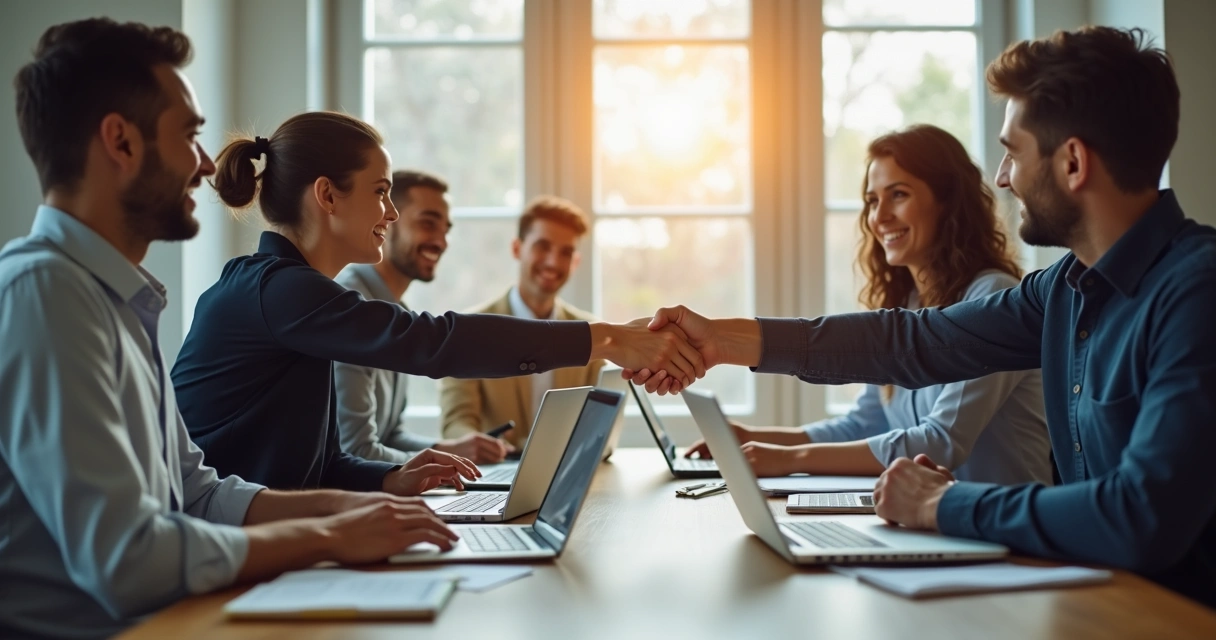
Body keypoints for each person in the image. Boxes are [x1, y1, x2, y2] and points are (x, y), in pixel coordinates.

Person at [633, 27, 1216, 607]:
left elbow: (1141, 514)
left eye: (1013, 151)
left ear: (1072, 163)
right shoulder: (1061, 292)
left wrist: (940, 503)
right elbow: (916, 342)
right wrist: (724, 341)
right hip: (1090, 598)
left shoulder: (1197, 292)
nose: (1004, 177)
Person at [0, 19, 456, 638]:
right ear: (121, 141)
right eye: (189, 134)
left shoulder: (118, 300)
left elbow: (198, 495)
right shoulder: (44, 294)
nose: (206, 162)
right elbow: (127, 561)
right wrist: (327, 534)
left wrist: (360, 505)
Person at [170, 111, 703, 497]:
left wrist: (388, 477)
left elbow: (321, 462)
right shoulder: (279, 290)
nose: (391, 213)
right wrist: (608, 338)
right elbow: (433, 341)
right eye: (380, 192)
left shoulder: (298, 296)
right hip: (216, 545)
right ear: (328, 196)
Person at [685, 125, 1052, 486]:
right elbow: (864, 423)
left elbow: (940, 444)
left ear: (948, 202)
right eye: (873, 201)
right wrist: (755, 438)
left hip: (1005, 535)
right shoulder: (908, 304)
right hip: (933, 528)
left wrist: (789, 459)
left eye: (899, 195)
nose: (879, 217)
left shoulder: (993, 299)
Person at [334, 170, 513, 464]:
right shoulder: (352, 306)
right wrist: (442, 460)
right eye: (428, 224)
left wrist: (455, 449)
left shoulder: (397, 311)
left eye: (446, 229)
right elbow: (357, 451)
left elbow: (390, 435)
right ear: (387, 221)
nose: (442, 242)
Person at [440, 195, 605, 450]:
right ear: (517, 248)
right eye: (542, 246)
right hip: (494, 476)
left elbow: (601, 428)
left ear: (576, 262)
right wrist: (473, 443)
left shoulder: (592, 333)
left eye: (566, 252)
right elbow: (455, 424)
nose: (553, 262)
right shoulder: (469, 331)